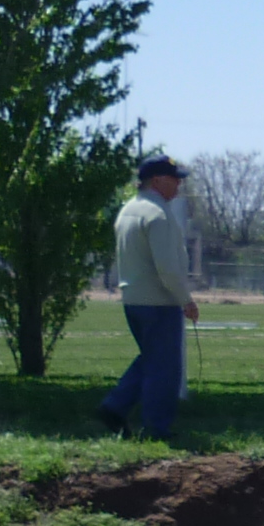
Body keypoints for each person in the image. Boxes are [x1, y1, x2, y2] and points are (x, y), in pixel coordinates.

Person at [98, 154, 200, 439]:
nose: (179, 184)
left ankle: (115, 406)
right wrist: (185, 300)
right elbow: (167, 268)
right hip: (159, 301)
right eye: (174, 178)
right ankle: (157, 428)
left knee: (151, 359)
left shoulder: (128, 210)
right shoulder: (158, 215)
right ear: (157, 180)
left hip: (133, 298)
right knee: (165, 369)